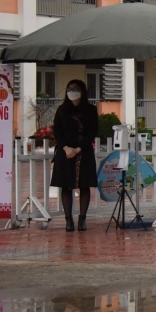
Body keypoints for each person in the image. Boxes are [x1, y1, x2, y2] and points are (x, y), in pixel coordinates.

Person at [50, 79, 99, 232]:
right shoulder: (62, 110)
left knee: (84, 185)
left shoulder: (91, 110)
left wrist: (78, 148)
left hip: (83, 152)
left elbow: (93, 132)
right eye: (69, 88)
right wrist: (65, 148)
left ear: (82, 91)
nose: (72, 91)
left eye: (75, 88)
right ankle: (68, 220)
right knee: (66, 186)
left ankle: (82, 219)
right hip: (65, 152)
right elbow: (57, 131)